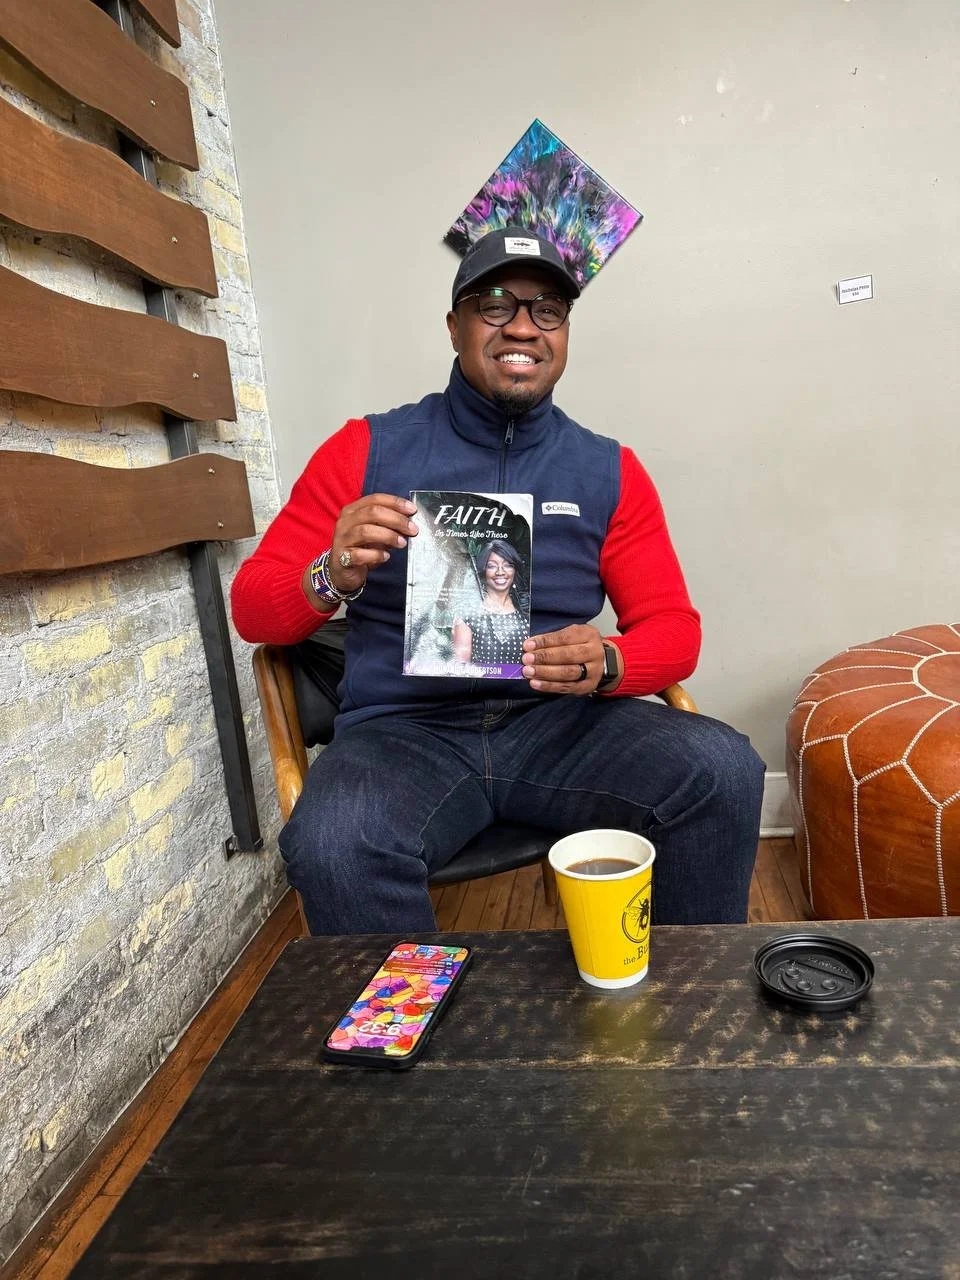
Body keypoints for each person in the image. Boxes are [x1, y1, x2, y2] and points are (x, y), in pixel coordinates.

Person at [231, 225, 765, 935]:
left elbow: (675, 630)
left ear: (565, 333)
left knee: (723, 770)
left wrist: (608, 662)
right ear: (454, 326)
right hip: (405, 735)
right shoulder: (365, 449)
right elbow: (254, 614)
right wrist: (333, 571)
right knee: (333, 843)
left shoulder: (610, 471)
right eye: (495, 304)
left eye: (548, 310)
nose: (524, 326)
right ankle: (411, 1043)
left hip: (558, 725)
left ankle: (692, 1009)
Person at [452, 539, 529, 668]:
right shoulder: (467, 614)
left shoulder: (526, 610)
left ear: (515, 570)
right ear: (483, 570)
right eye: (492, 566)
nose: (500, 572)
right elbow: (461, 666)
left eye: (508, 565)